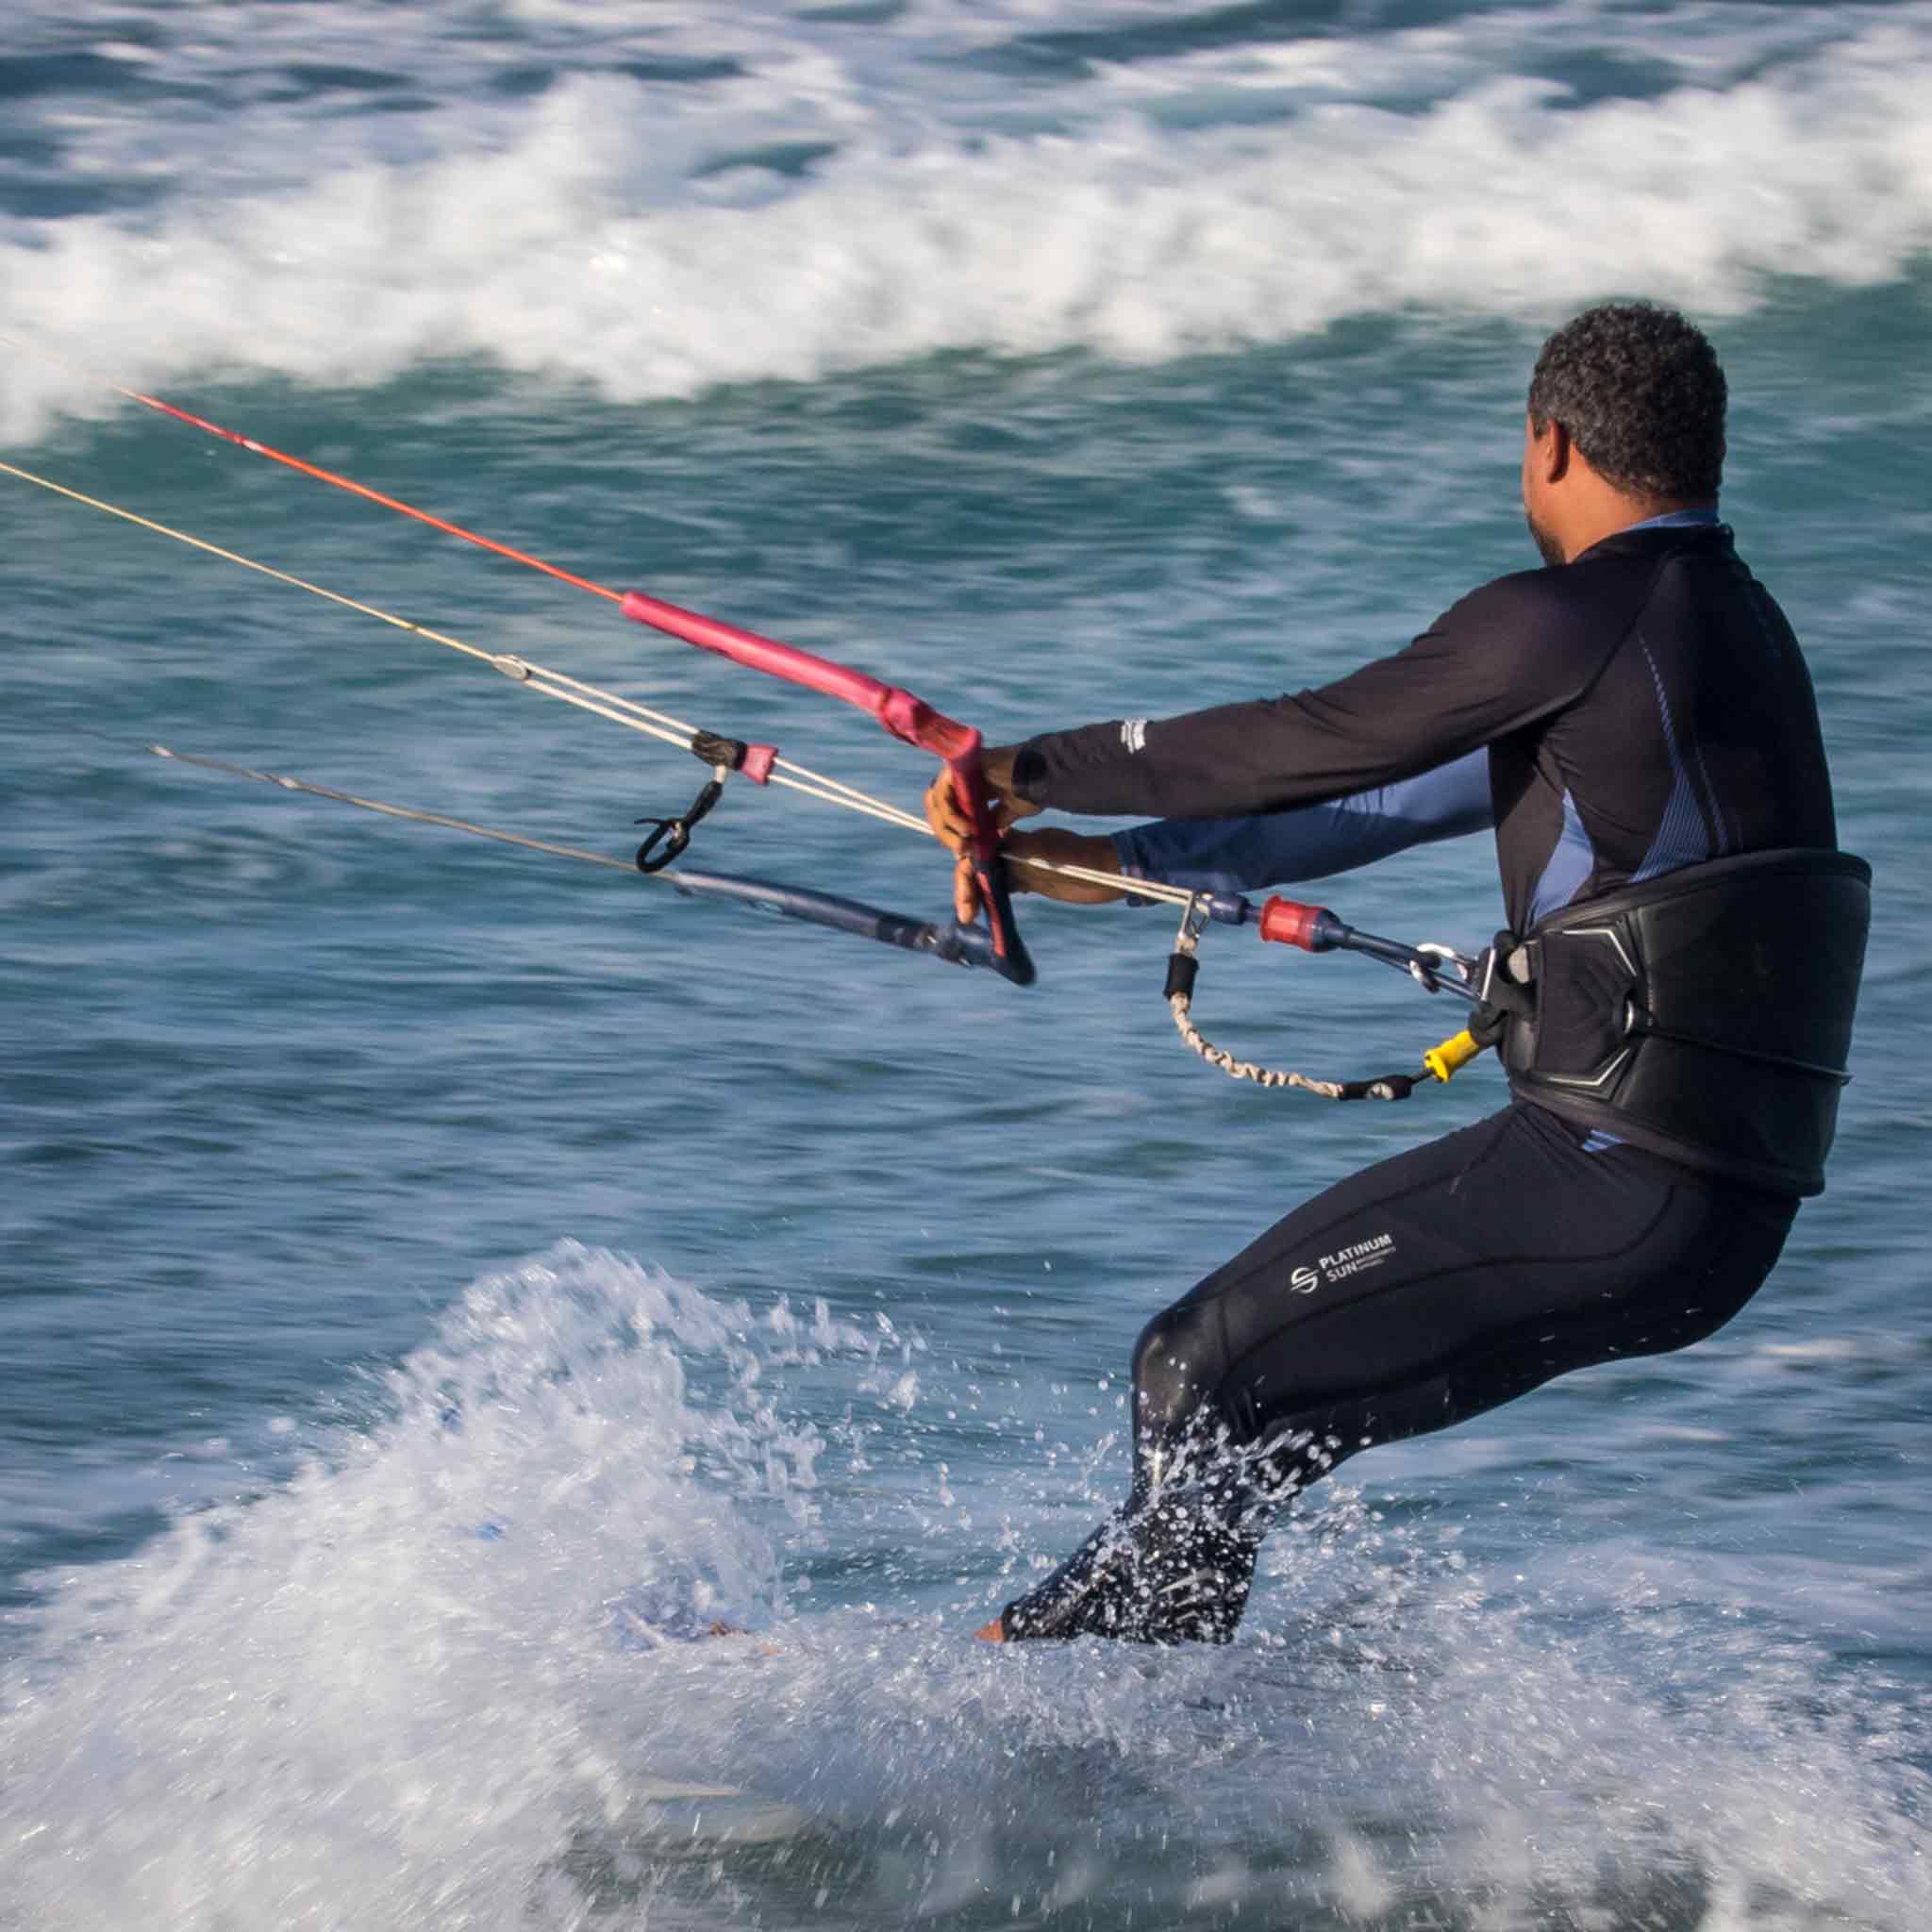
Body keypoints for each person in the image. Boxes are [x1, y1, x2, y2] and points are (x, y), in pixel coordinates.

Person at [924, 302, 1869, 1646]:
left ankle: (1080, 1733)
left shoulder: (1581, 614)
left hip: (1612, 1175)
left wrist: (1019, 770)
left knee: (1195, 1364)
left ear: (1550, 444)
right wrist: (1112, 859)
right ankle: (1091, 1699)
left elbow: (1306, 744)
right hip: (1718, 1227)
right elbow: (1375, 804)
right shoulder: (1727, 632)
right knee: (1255, 1431)